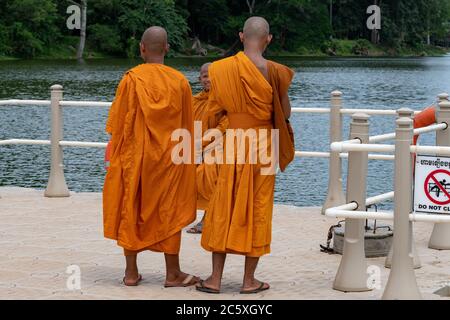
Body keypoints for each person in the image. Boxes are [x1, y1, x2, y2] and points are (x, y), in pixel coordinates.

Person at [196, 17, 295, 294]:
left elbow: (214, 110)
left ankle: (214, 279)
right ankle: (249, 281)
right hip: (263, 145)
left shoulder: (220, 69)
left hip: (232, 143)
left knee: (223, 203)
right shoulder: (276, 71)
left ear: (241, 36)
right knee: (259, 206)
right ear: (269, 39)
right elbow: (284, 113)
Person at [103, 26, 199, 287]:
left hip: (136, 157)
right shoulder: (179, 81)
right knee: (170, 208)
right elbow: (187, 127)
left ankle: (131, 273)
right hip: (169, 159)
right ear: (167, 48)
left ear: (141, 48)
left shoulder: (131, 80)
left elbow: (118, 125)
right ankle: (173, 273)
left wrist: (116, 155)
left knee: (130, 206)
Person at [187, 63, 228, 234]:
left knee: (208, 173)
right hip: (195, 147)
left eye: (212, 76)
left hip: (218, 146)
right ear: (199, 79)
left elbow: (226, 125)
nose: (208, 79)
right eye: (205, 76)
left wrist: (204, 143)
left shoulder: (225, 100)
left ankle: (207, 219)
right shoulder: (195, 100)